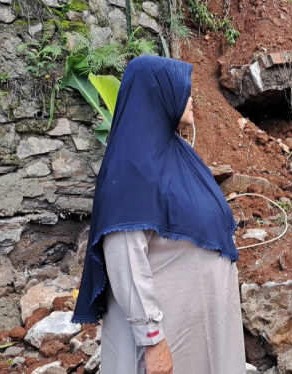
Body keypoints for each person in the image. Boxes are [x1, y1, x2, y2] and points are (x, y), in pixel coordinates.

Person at [72, 56, 246, 374]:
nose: (191, 99)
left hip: (196, 330)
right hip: (166, 339)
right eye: (183, 91)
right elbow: (126, 259)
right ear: (158, 94)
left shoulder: (177, 156)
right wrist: (152, 340)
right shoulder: (130, 168)